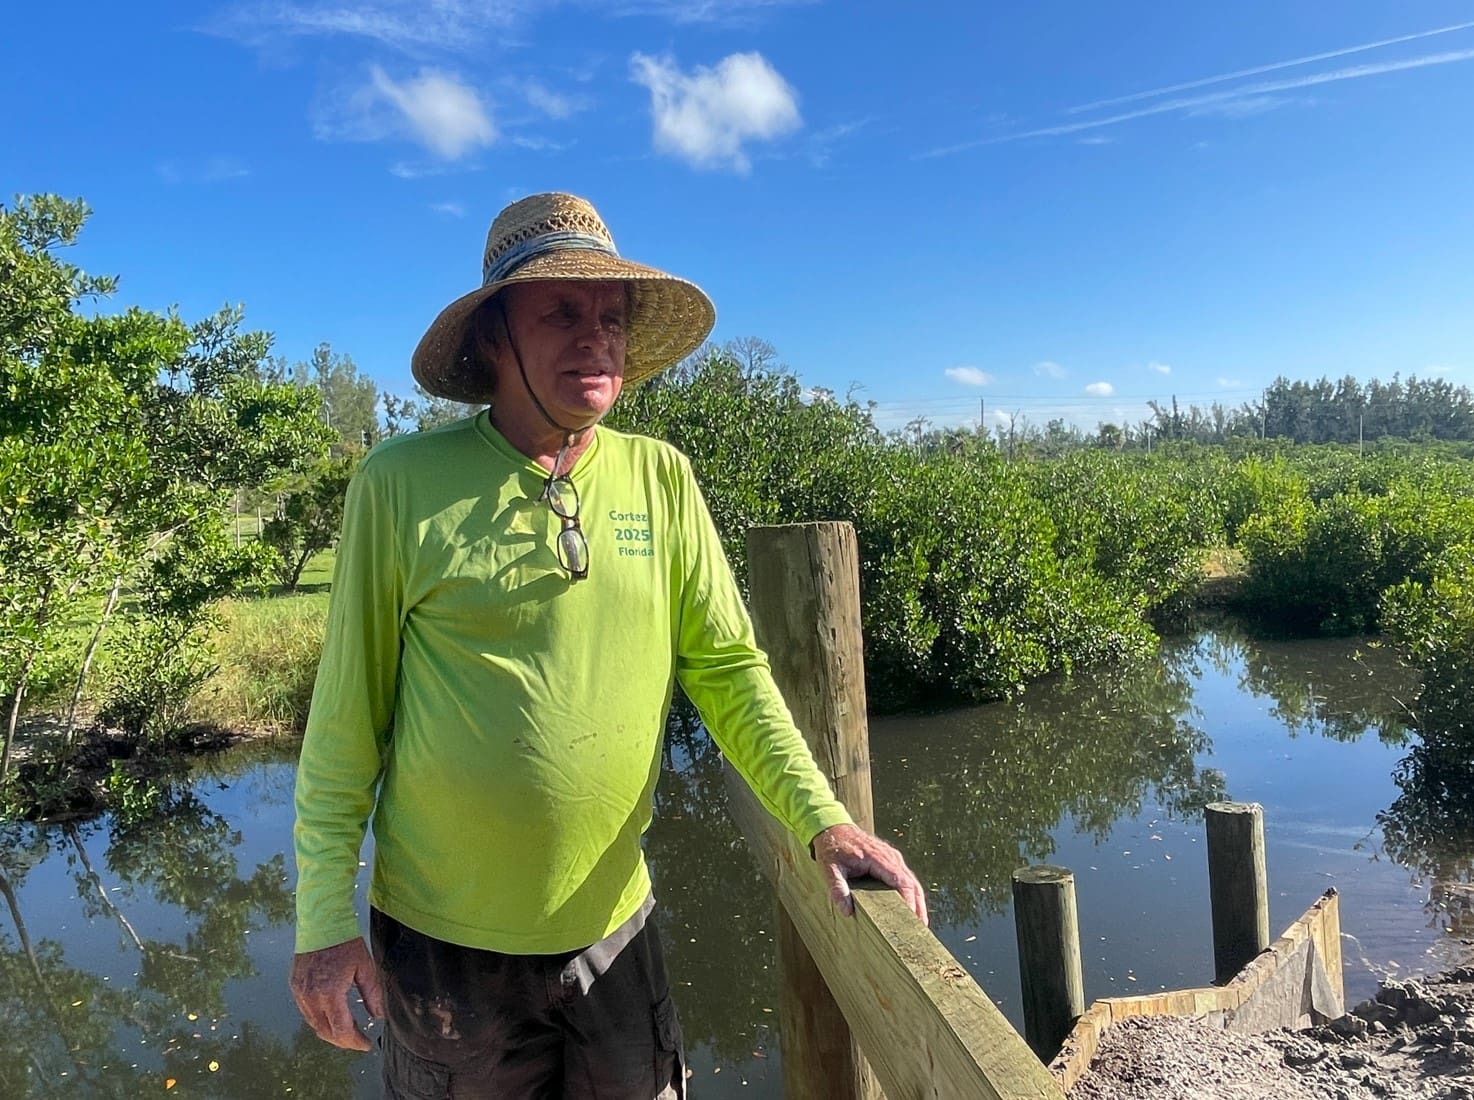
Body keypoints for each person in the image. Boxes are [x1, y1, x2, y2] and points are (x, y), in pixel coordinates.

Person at [289, 192, 927, 1098]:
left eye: (611, 317)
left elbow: (729, 670)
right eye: (560, 311)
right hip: (444, 956)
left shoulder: (661, 476)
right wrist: (323, 922)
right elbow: (346, 724)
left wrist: (821, 820)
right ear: (492, 338)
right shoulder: (400, 485)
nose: (596, 337)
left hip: (616, 933)